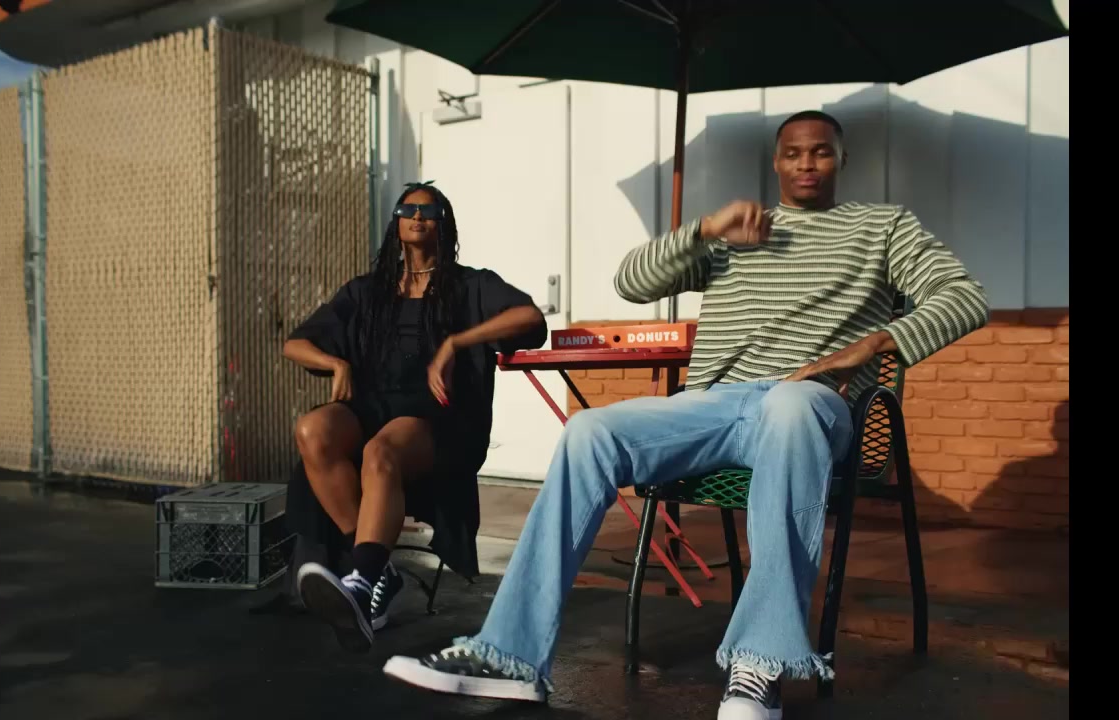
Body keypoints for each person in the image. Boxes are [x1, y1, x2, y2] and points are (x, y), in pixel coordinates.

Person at [382, 111, 990, 719]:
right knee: (589, 432)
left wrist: (873, 345)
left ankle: (759, 664)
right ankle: (510, 656)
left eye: (821, 152)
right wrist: (704, 229)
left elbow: (965, 296)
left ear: (841, 159)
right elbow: (630, 281)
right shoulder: (738, 234)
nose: (806, 163)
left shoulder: (883, 227)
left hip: (808, 401)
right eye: (793, 153)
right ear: (776, 162)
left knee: (789, 406)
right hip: (713, 405)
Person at [281, 181, 547, 653]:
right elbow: (295, 344)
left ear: (444, 224)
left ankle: (361, 585)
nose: (418, 216)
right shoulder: (367, 292)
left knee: (381, 450)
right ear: (397, 224)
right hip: (374, 407)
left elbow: (530, 319)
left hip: (439, 417)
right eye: (408, 210)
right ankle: (376, 570)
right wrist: (335, 364)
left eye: (429, 210)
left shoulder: (470, 286)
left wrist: (456, 342)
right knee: (313, 430)